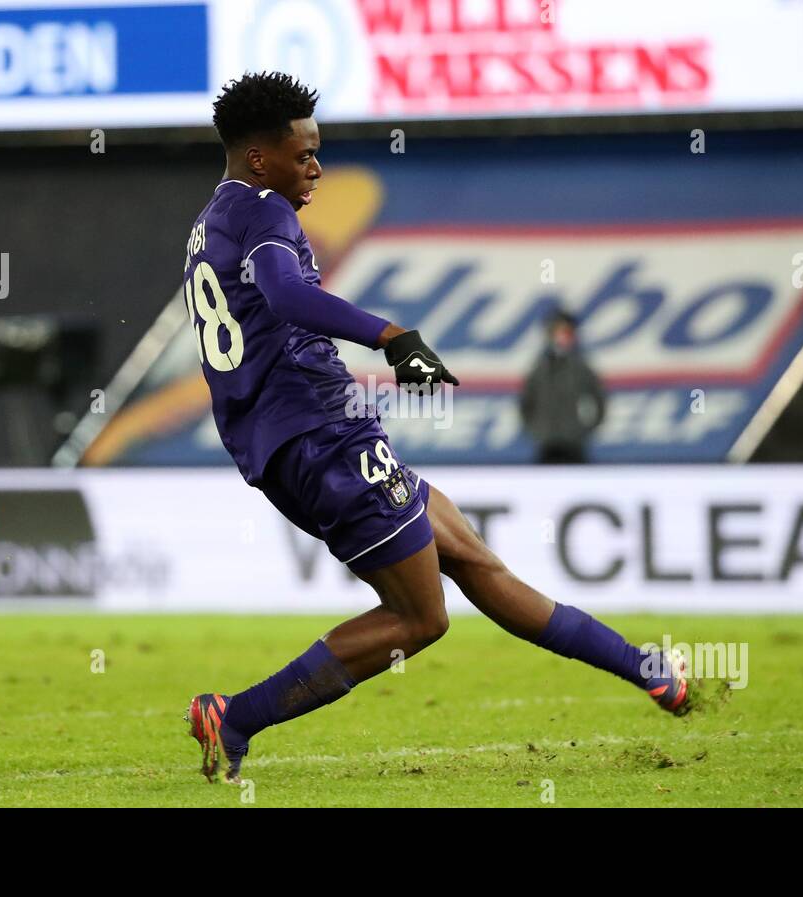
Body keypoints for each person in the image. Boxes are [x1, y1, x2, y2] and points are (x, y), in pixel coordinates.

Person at [183, 72, 690, 785]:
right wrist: (390, 334)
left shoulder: (212, 220)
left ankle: (649, 670)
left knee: (474, 562)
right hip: (323, 436)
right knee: (422, 618)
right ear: (261, 158)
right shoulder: (266, 209)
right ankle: (236, 714)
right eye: (306, 155)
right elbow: (285, 294)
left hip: (293, 441)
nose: (318, 168)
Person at [520, 311, 607, 463]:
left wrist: (586, 429)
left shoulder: (581, 368)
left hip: (574, 443)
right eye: (557, 332)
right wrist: (536, 430)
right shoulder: (539, 369)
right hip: (546, 443)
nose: (561, 337)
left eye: (566, 332)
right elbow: (525, 402)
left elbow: (600, 400)